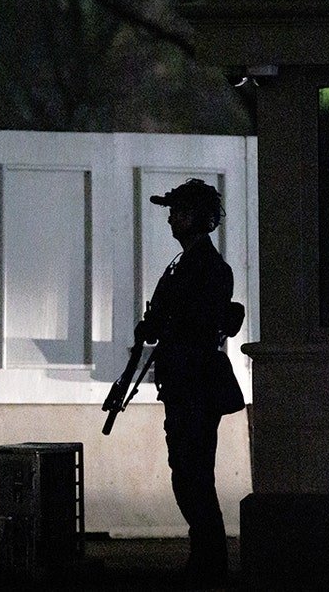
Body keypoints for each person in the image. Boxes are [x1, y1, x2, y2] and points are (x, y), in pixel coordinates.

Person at [136, 178, 244, 585]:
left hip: (195, 385)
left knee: (194, 472)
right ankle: (205, 557)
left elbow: (200, 322)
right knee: (187, 470)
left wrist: (162, 322)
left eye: (178, 211)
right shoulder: (186, 264)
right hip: (184, 383)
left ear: (198, 217)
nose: (170, 219)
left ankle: (209, 560)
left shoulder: (208, 267)